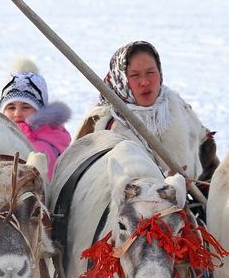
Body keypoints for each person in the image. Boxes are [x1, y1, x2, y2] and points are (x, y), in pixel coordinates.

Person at [75, 41, 217, 184]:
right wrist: (163, 185)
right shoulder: (103, 124)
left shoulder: (176, 106)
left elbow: (206, 150)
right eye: (135, 75)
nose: (145, 82)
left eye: (150, 72)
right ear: (121, 79)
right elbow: (96, 183)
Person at [0, 58, 72, 179]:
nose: (17, 113)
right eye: (11, 108)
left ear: (39, 109)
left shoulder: (42, 146)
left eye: (25, 107)